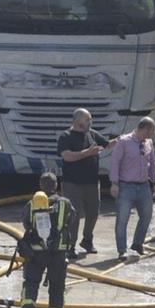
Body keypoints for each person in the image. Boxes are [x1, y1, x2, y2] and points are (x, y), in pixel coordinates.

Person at [18, 172, 80, 308]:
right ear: (56, 185)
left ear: (40, 185)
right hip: (58, 253)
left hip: (35, 253)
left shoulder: (32, 203)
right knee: (57, 285)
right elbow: (71, 220)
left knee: (31, 282)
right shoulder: (65, 203)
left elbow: (26, 223)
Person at [107, 117, 155, 260]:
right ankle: (122, 250)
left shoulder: (148, 143)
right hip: (126, 186)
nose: (151, 135)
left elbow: (152, 164)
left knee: (147, 215)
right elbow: (115, 163)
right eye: (151, 131)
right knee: (122, 219)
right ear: (144, 129)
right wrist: (114, 183)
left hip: (143, 186)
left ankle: (137, 243)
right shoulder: (124, 142)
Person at [57, 108, 108, 254]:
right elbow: (66, 156)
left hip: (91, 182)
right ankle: (70, 246)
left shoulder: (91, 134)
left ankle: (87, 241)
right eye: (88, 119)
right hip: (72, 183)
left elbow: (108, 144)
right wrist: (87, 153)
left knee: (93, 212)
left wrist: (125, 139)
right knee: (74, 215)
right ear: (78, 121)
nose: (90, 122)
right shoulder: (65, 136)